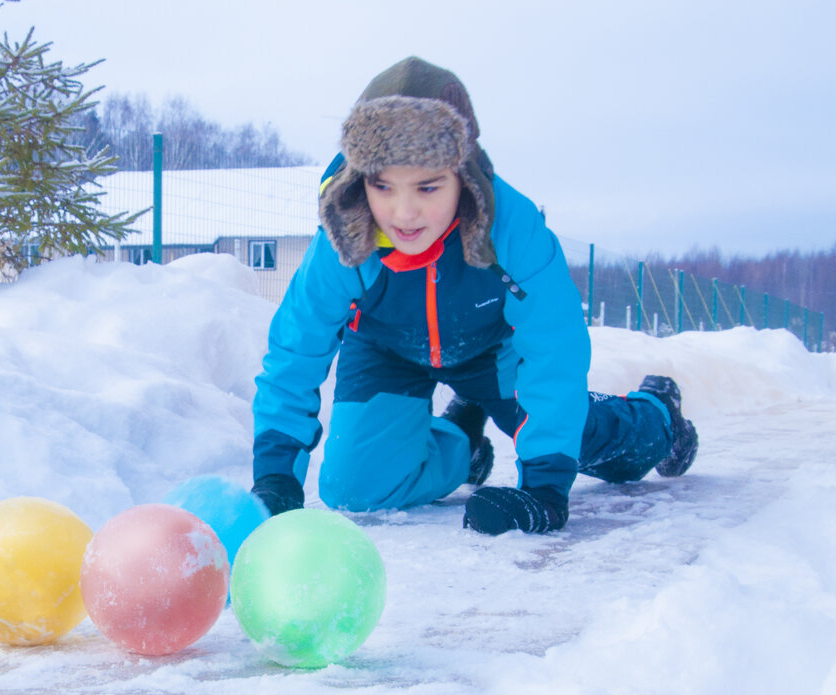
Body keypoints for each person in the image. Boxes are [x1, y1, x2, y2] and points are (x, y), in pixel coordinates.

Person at [249, 56, 699, 534]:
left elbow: (554, 352)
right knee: (354, 489)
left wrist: (545, 490)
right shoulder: (346, 236)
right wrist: (276, 477)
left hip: (492, 350)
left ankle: (657, 415)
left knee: (587, 446)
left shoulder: (513, 229)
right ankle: (463, 437)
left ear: (462, 174)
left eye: (427, 186)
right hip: (386, 348)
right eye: (383, 185)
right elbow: (296, 351)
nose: (403, 213)